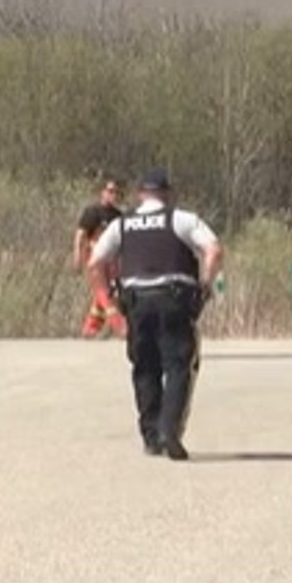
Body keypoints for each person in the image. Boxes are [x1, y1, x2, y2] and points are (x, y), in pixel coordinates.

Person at [86, 168, 224, 461]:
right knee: (178, 366)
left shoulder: (122, 225)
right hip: (174, 299)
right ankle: (169, 429)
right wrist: (205, 286)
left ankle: (151, 436)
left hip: (136, 303)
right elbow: (214, 250)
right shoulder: (181, 219)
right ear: (167, 194)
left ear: (140, 195)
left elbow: (94, 264)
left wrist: (109, 306)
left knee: (145, 368)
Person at [74, 175, 128, 339]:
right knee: (104, 292)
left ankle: (90, 329)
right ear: (102, 192)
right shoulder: (92, 212)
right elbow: (81, 235)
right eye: (110, 191)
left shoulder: (119, 216)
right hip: (94, 259)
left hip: (112, 261)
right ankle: (120, 326)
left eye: (117, 192)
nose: (114, 195)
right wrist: (78, 257)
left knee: (110, 292)